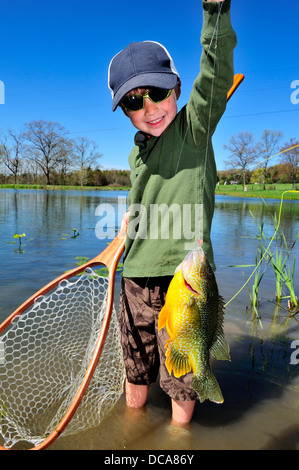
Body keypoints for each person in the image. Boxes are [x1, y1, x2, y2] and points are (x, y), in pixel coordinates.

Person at [108, 0, 237, 425]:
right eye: (133, 101)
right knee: (136, 363)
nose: (149, 108)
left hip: (185, 279)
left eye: (158, 93)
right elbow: (144, 198)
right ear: (124, 111)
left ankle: (180, 439)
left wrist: (214, 12)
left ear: (177, 90)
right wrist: (132, 219)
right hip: (135, 275)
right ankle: (132, 431)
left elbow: (215, 78)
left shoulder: (193, 130)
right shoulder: (137, 152)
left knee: (183, 371)